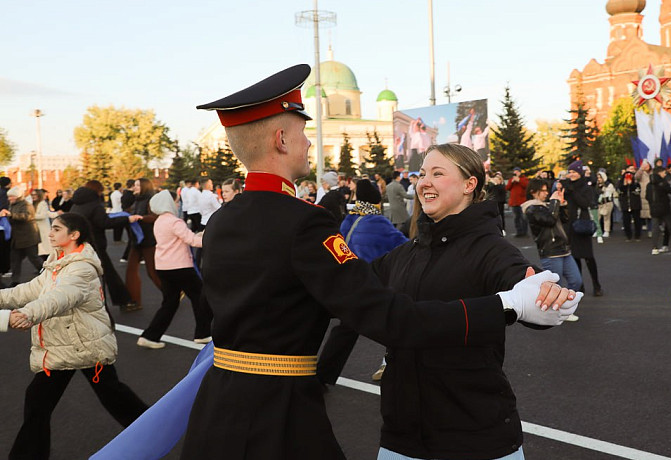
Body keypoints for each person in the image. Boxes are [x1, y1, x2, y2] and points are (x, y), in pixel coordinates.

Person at [178, 64, 579, 459]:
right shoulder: (304, 223)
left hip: (218, 410)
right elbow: (390, 317)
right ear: (281, 139)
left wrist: (529, 287)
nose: (309, 144)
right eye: (303, 134)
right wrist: (509, 304)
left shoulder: (222, 220)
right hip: (280, 419)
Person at [373, 144, 581, 460]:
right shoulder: (406, 254)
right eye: (423, 174)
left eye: (438, 173)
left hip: (477, 438)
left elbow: (524, 281)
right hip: (401, 440)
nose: (424, 182)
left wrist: (545, 294)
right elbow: (354, 287)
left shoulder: (491, 250)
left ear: (470, 184)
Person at [0, 213, 148, 460]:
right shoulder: (57, 261)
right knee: (39, 403)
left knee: (115, 398)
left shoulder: (81, 268)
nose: (50, 233)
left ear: (74, 235)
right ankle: (153, 431)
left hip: (84, 345)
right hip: (65, 346)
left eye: (56, 229)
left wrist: (27, 314)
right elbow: (29, 290)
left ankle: (155, 431)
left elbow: (60, 297)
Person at [316, 179, 408, 385]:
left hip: (349, 281)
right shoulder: (378, 223)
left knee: (345, 332)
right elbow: (404, 246)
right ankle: (392, 363)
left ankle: (322, 377)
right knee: (395, 321)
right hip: (371, 284)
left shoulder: (350, 219)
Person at [137, 190, 212, 349]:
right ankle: (203, 333)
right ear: (169, 204)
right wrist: (210, 238)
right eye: (176, 201)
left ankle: (150, 336)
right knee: (200, 297)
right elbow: (192, 241)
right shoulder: (175, 222)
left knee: (170, 303)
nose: (178, 204)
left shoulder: (159, 221)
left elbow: (184, 239)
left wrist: (199, 235)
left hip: (164, 266)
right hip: (180, 266)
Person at [70, 181, 141, 311]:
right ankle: (124, 301)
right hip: (94, 244)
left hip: (78, 244)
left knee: (83, 276)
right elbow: (103, 222)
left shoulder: (76, 204)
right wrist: (126, 219)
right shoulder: (95, 205)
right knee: (109, 275)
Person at [523, 179, 582, 321]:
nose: (546, 193)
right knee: (556, 284)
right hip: (550, 251)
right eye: (542, 190)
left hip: (564, 249)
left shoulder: (548, 205)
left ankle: (564, 309)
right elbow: (549, 220)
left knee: (576, 280)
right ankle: (557, 312)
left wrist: (562, 205)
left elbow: (564, 219)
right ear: (533, 192)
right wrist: (555, 203)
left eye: (546, 190)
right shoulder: (531, 208)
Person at [563, 160, 603, 296]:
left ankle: (596, 285)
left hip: (582, 225)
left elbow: (585, 203)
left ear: (580, 173)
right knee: (574, 257)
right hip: (570, 226)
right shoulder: (566, 186)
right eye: (570, 172)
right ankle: (579, 285)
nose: (572, 174)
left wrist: (573, 192)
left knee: (588, 257)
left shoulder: (586, 188)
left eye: (574, 172)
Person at [125, 178, 162, 309]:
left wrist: (141, 218)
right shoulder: (137, 200)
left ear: (144, 186)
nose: (134, 187)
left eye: (137, 185)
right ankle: (134, 300)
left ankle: (171, 293)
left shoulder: (151, 199)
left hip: (148, 239)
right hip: (136, 239)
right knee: (130, 270)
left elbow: (156, 217)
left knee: (152, 272)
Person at [0, 187, 44, 286]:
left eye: (11, 196)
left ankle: (46, 272)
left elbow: (26, 216)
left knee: (34, 257)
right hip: (18, 238)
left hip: (28, 237)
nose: (9, 198)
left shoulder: (26, 205)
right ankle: (15, 281)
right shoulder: (13, 205)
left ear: (17, 196)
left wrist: (10, 215)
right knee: (15, 260)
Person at [617, 169, 643, 241]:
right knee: (626, 221)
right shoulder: (620, 184)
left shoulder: (636, 184)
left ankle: (637, 235)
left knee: (637, 221)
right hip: (625, 205)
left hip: (635, 205)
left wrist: (631, 184)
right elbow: (620, 192)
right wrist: (624, 186)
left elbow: (637, 192)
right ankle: (628, 235)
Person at [31, 189, 54, 260]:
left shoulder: (42, 203)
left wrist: (30, 216)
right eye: (32, 195)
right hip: (36, 229)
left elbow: (43, 215)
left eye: (35, 195)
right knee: (40, 250)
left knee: (45, 250)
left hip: (43, 229)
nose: (33, 196)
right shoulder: (33, 204)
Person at [506, 166, 529, 237]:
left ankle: (524, 232)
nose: (515, 173)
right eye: (514, 171)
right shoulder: (511, 179)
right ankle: (519, 232)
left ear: (520, 172)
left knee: (523, 218)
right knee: (516, 218)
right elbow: (507, 188)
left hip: (522, 202)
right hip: (514, 202)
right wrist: (512, 182)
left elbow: (527, 186)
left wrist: (519, 180)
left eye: (517, 171)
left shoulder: (524, 179)